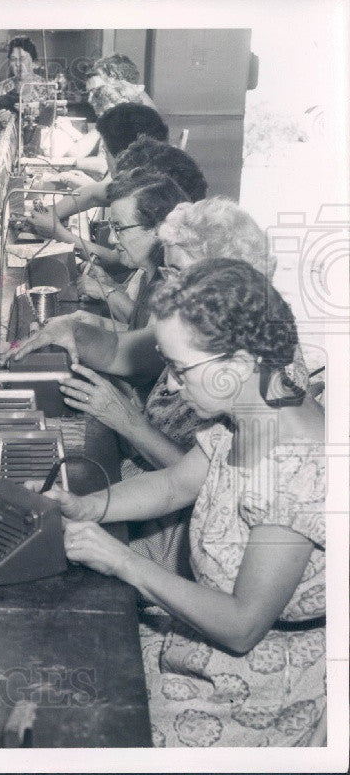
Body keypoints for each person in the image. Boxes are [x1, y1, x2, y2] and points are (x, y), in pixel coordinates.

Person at [51, 259, 325, 746]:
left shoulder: (297, 470)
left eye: (180, 369)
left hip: (254, 690)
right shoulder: (251, 410)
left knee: (80, 723)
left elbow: (242, 625)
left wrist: (121, 561)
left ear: (239, 364)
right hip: (197, 639)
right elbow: (175, 485)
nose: (172, 385)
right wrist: (89, 505)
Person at [56, 198, 310, 574]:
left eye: (177, 271)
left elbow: (206, 493)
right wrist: (69, 330)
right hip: (157, 495)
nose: (165, 282)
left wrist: (127, 422)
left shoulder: (257, 382)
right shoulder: (203, 337)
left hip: (181, 531)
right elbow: (183, 478)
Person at [24, 135, 206, 267]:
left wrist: (58, 232)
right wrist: (51, 214)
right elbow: (94, 193)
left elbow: (118, 259)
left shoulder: (172, 253)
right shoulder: (145, 185)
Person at [74, 168, 191, 327]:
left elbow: (147, 346)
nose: (111, 239)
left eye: (119, 228)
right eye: (111, 227)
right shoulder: (147, 271)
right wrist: (96, 323)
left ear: (158, 229)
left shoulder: (173, 288)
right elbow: (142, 334)